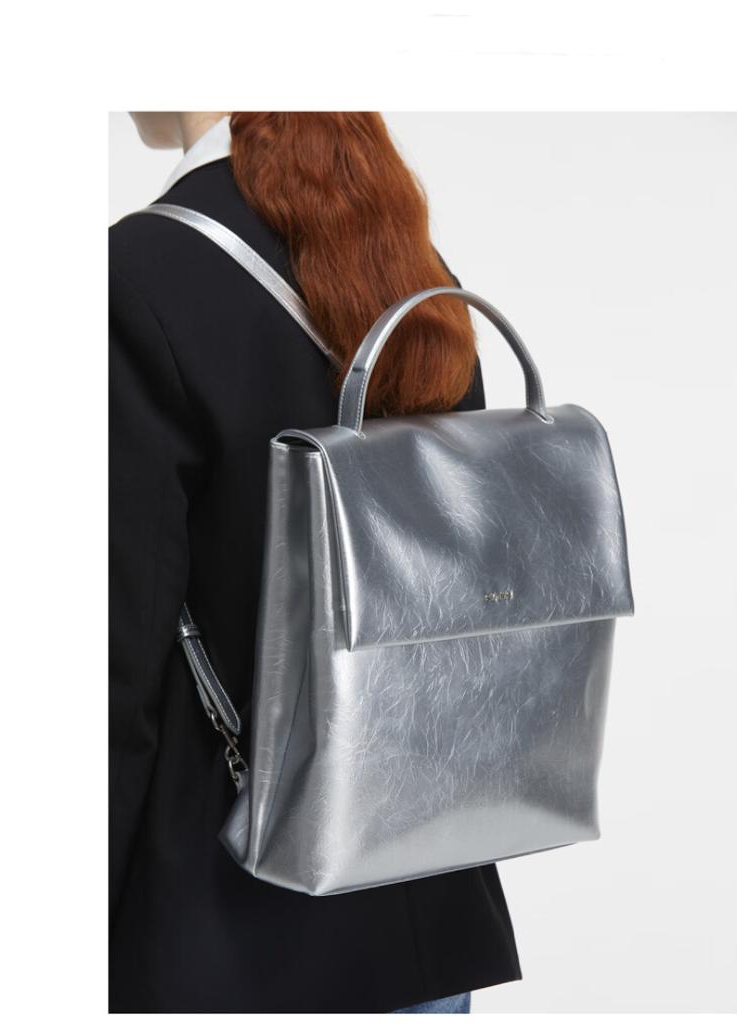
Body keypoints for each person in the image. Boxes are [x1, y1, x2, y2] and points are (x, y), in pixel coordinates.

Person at [109, 112, 522, 1013]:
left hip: (223, 938)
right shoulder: (408, 260)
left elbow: (116, 661)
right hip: (427, 913)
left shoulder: (134, 272)